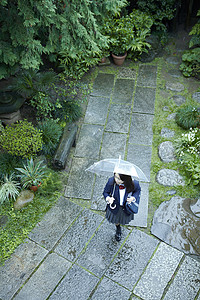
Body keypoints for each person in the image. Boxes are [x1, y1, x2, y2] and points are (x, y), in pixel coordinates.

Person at [103, 173, 141, 241]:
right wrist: (108, 198)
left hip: (126, 208)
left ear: (126, 179)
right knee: (116, 220)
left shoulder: (134, 183)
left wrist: (133, 198)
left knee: (123, 219)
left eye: (119, 179)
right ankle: (118, 228)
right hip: (115, 207)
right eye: (115, 177)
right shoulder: (111, 182)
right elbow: (105, 192)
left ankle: (119, 225)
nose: (117, 180)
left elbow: (137, 191)